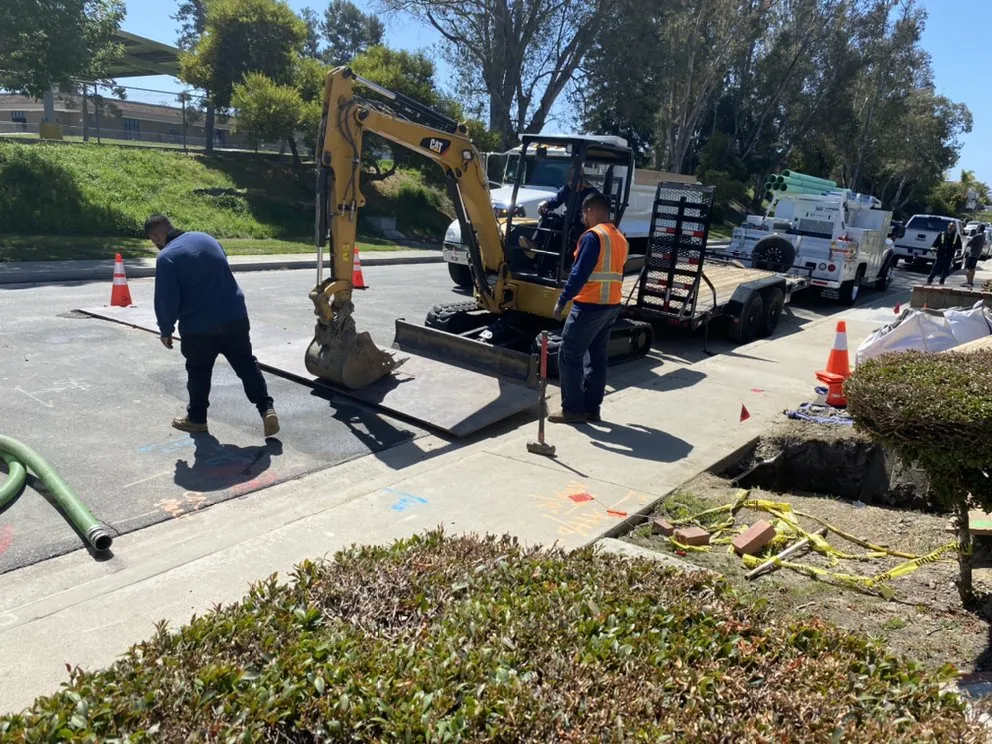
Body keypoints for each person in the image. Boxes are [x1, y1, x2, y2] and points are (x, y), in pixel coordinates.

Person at [147, 214, 280, 437]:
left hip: (199, 327)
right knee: (246, 364)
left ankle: (197, 420)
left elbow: (166, 298)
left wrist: (166, 329)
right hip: (235, 316)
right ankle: (266, 408)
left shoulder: (166, 257)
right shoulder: (207, 238)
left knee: (199, 371)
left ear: (154, 236)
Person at [548, 192, 628, 425]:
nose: (583, 218)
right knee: (597, 358)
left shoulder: (593, 237)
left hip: (589, 306)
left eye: (584, 213)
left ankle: (572, 409)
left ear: (591, 211)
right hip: (611, 306)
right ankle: (592, 409)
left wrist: (562, 300)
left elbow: (579, 273)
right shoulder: (619, 237)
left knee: (569, 354)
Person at [519, 165, 600, 254]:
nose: (571, 183)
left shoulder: (591, 193)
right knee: (549, 217)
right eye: (569, 179)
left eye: (574, 179)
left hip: (582, 222)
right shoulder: (566, 189)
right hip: (567, 219)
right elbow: (555, 201)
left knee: (575, 230)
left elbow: (598, 211)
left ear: (582, 178)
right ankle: (535, 245)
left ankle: (570, 260)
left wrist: (587, 218)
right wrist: (545, 204)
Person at [927, 221, 961, 285]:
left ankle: (941, 282)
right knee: (935, 269)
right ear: (948, 226)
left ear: (954, 228)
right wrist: (933, 250)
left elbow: (959, 246)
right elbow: (935, 243)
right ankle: (929, 281)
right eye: (950, 226)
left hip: (949, 256)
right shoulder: (941, 234)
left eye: (953, 226)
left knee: (945, 270)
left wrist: (958, 252)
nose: (951, 227)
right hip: (940, 255)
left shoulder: (956, 236)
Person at [964, 223, 986, 288]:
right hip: (977, 254)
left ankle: (968, 282)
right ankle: (971, 282)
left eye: (977, 228)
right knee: (972, 269)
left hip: (972, 254)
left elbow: (969, 243)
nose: (976, 229)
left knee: (967, 268)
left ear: (979, 228)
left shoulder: (977, 236)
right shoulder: (983, 235)